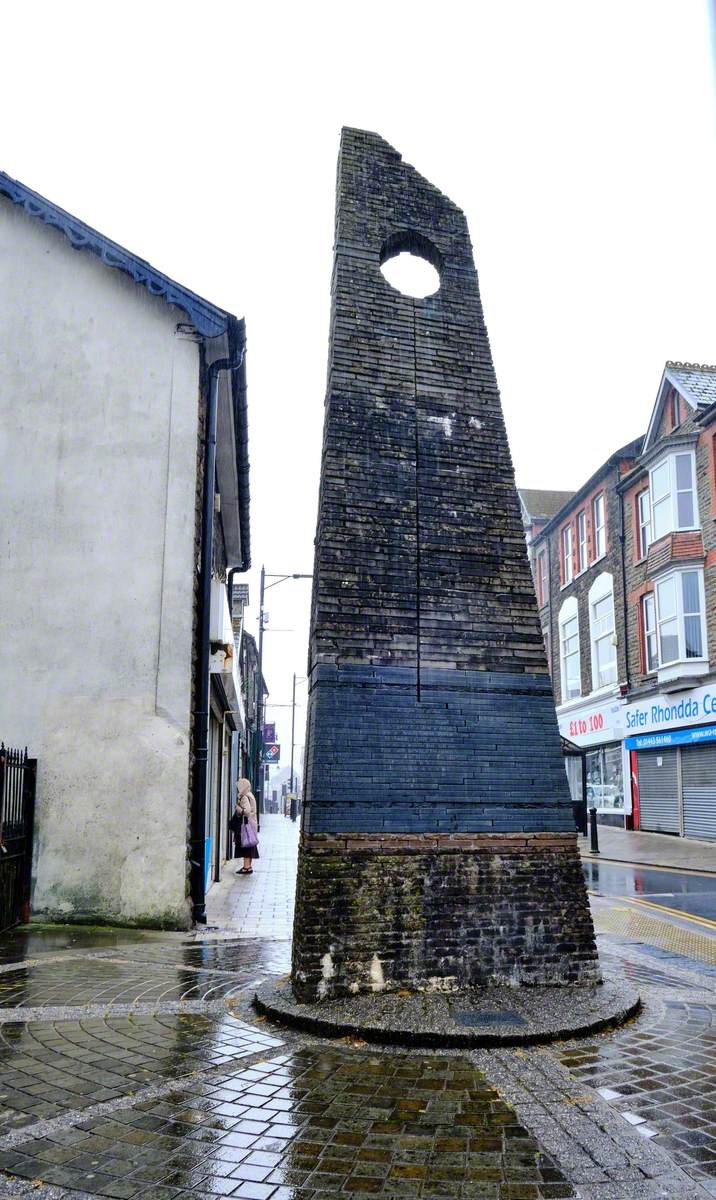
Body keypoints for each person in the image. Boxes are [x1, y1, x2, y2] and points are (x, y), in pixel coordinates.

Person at [229, 777, 259, 875]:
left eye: (239, 787)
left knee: (246, 845)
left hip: (246, 825)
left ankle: (246, 868)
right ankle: (248, 867)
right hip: (251, 824)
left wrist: (238, 808)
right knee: (250, 845)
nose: (238, 789)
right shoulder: (250, 795)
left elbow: (246, 811)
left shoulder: (245, 797)